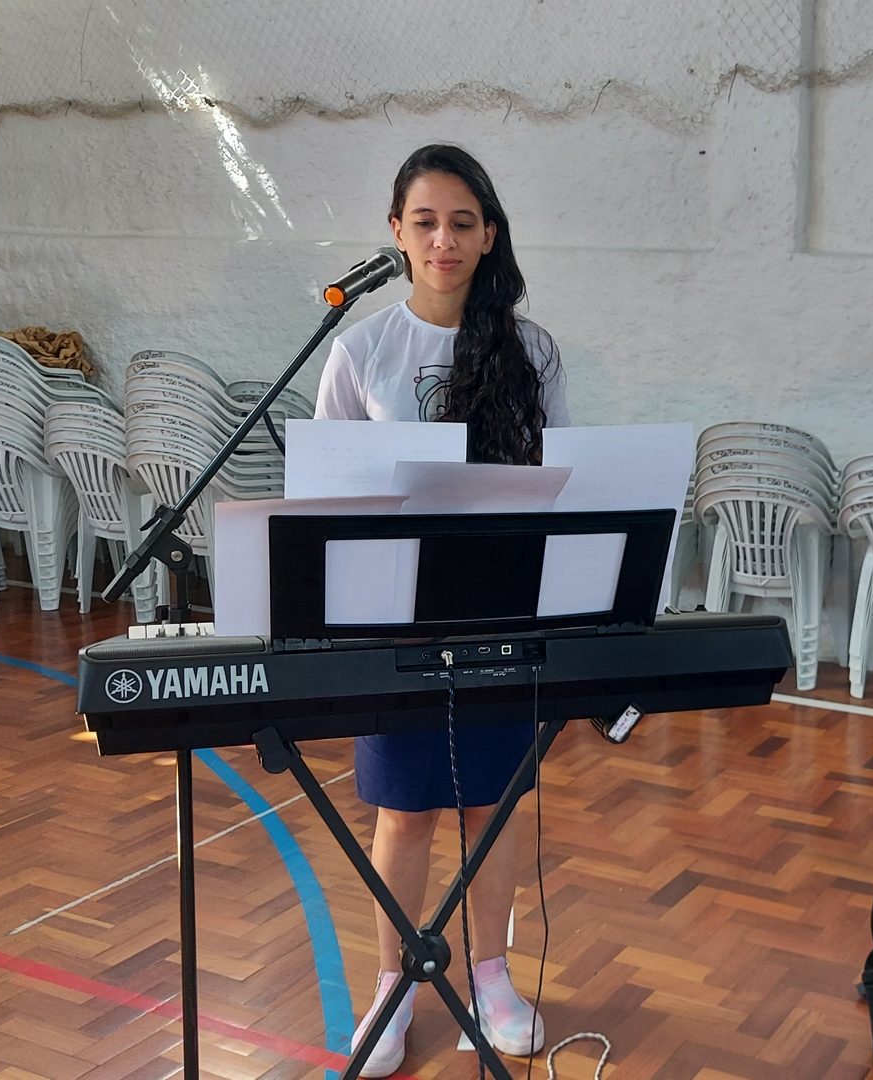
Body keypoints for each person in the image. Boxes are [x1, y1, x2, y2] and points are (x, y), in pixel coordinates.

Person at [314, 143, 566, 1076]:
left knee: (492, 806)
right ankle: (394, 986)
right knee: (406, 810)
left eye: (462, 223)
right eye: (424, 222)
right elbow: (326, 490)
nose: (443, 240)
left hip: (497, 608)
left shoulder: (530, 352)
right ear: (396, 232)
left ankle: (491, 977)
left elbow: (560, 477)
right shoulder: (361, 351)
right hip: (396, 616)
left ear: (489, 234)